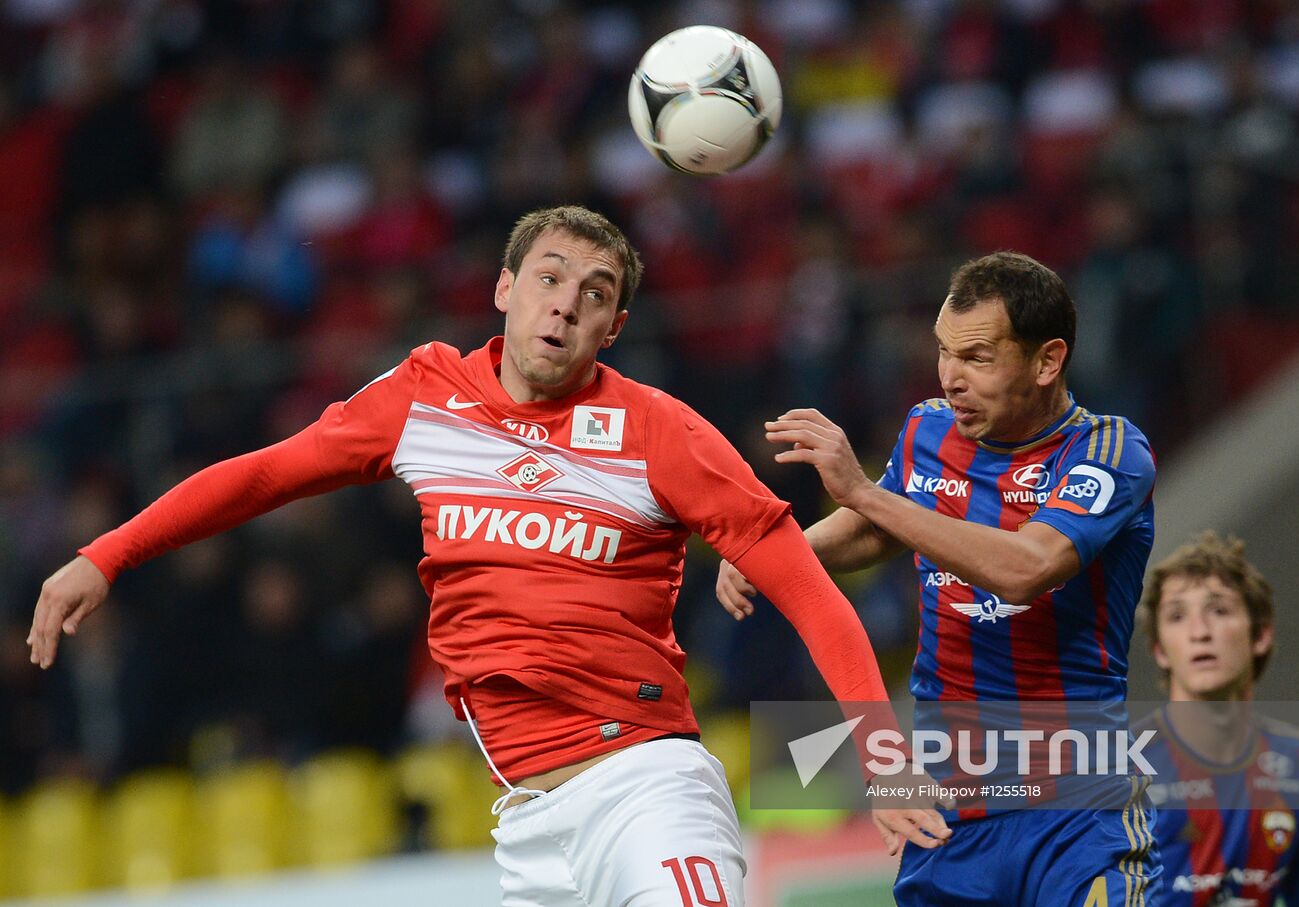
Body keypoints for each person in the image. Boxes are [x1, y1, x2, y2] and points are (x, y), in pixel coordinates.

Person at [27, 206, 946, 906]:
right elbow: (260, 477)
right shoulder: (424, 397)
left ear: (611, 329)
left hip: (647, 786)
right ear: (506, 289)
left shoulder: (660, 432)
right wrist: (107, 555)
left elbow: (808, 589)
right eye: (550, 277)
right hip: (528, 825)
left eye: (595, 294)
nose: (566, 303)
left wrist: (885, 754)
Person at [717, 251, 1162, 905]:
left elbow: (1027, 567)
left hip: (1077, 813)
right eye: (943, 353)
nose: (951, 378)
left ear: (1047, 361)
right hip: (949, 812)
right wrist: (774, 550)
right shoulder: (930, 427)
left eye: (977, 357)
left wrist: (864, 493)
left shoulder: (1110, 453)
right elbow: (883, 526)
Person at [1135, 532, 1299, 907]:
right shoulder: (1120, 764)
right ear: (1159, 649)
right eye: (1176, 616)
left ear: (1261, 634)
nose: (1199, 633)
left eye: (1219, 611)